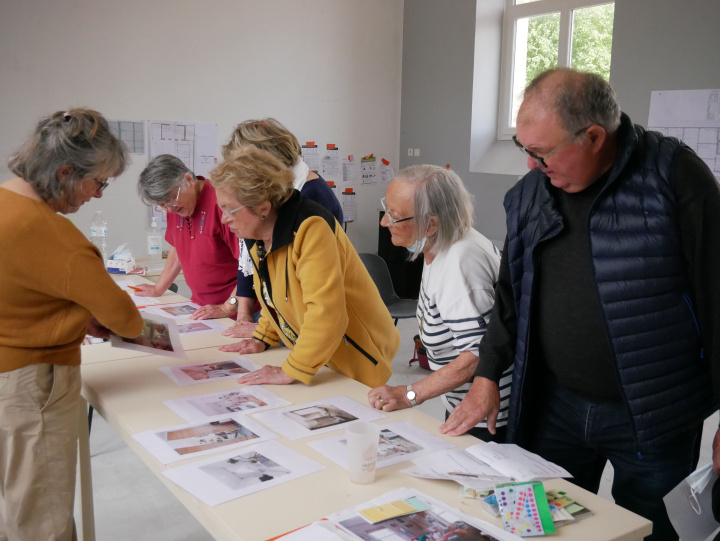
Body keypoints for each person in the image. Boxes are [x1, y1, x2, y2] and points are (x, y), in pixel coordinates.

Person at [440, 68, 720, 541]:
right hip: (553, 405)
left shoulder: (674, 176)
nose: (532, 165)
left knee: (646, 530)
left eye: (542, 152)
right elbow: (510, 297)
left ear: (593, 136)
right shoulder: (529, 195)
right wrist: (487, 374)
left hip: (653, 413)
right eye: (523, 149)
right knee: (541, 526)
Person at [0, 108, 143, 540]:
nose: (97, 195)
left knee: (17, 501)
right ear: (66, 171)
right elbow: (127, 321)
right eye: (98, 182)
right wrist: (92, 314)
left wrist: (71, 315)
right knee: (42, 517)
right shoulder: (55, 237)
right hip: (33, 385)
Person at [209, 144, 399, 387]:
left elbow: (326, 313)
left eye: (229, 209)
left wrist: (291, 370)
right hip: (319, 357)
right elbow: (271, 293)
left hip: (358, 356)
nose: (224, 219)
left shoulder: (311, 227)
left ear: (263, 208)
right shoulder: (256, 232)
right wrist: (264, 336)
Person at [366, 165, 512, 442]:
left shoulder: (460, 261)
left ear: (431, 224)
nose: (385, 223)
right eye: (387, 210)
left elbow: (476, 354)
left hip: (484, 413)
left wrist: (409, 394)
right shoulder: (446, 245)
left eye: (394, 216)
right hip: (462, 401)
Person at [190, 118, 343, 346]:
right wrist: (243, 314)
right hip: (280, 320)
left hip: (307, 327)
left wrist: (264, 331)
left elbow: (307, 296)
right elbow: (253, 258)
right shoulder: (272, 198)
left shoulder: (311, 199)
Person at [134, 154, 242, 313]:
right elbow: (178, 247)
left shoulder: (221, 202)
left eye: (171, 200)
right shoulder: (175, 208)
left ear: (189, 180)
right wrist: (158, 288)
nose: (169, 210)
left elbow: (250, 265)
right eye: (162, 206)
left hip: (237, 311)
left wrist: (228, 307)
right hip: (201, 308)